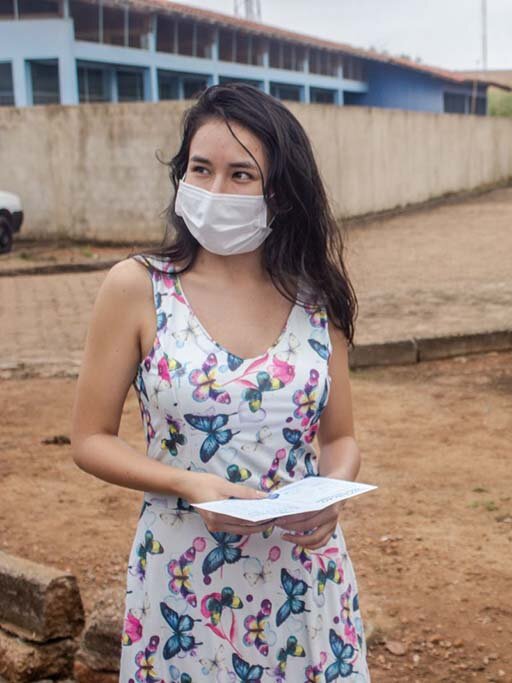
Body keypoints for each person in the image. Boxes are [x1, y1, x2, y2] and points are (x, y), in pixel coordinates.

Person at [71, 84, 369, 681]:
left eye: (240, 175)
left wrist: (330, 496)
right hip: (182, 576)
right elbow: (89, 438)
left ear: (280, 193)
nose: (214, 191)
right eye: (200, 169)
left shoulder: (317, 301)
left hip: (302, 577)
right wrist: (189, 482)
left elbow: (340, 439)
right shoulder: (136, 287)